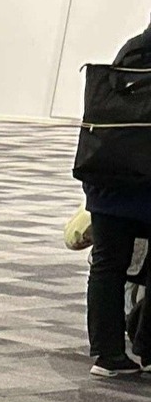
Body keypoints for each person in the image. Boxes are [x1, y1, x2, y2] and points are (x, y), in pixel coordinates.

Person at [82, 20, 151, 376]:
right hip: (144, 180)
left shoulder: (131, 51)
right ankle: (147, 346)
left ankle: (108, 356)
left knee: (107, 265)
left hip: (108, 176)